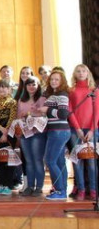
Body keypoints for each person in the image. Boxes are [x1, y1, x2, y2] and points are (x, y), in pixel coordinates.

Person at [68, 64, 99, 200]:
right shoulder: (72, 91)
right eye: (78, 71)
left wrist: (92, 130)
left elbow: (97, 112)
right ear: (75, 74)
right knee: (77, 161)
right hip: (76, 130)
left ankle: (93, 189)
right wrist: (78, 128)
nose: (81, 73)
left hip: (92, 129)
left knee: (91, 161)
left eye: (84, 71)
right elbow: (70, 110)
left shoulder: (94, 90)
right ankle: (81, 189)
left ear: (88, 73)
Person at [41, 70, 71, 200]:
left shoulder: (62, 95)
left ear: (62, 81)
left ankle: (59, 190)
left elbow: (63, 114)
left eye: (56, 79)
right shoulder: (53, 94)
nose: (53, 81)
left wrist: (47, 109)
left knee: (50, 160)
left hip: (58, 131)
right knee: (59, 162)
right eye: (52, 79)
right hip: (56, 130)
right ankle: (62, 190)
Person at [16, 76, 46, 197]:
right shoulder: (21, 100)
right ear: (25, 86)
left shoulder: (42, 98)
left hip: (37, 133)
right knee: (28, 161)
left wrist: (30, 113)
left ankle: (39, 187)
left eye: (34, 84)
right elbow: (18, 116)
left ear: (38, 86)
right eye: (29, 84)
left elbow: (44, 113)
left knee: (37, 160)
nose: (31, 87)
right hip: (25, 133)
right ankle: (30, 186)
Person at [0, 79, 18, 196]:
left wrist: (5, 133)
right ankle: (2, 184)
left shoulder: (12, 102)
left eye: (4, 87)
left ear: (9, 89)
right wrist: (1, 129)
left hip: (9, 133)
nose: (1, 89)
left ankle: (8, 185)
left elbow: (12, 118)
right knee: (0, 160)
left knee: (8, 160)